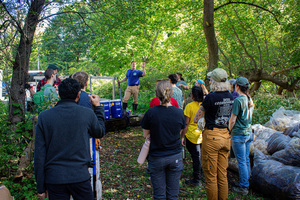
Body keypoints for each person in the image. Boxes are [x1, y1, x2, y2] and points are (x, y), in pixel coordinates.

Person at [34, 78, 106, 200]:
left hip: (55, 178)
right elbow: (99, 131)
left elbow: (39, 154)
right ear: (78, 94)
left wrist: (40, 186)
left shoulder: (44, 117)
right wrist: (98, 107)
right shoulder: (87, 114)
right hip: (80, 176)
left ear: (59, 94)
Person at [141, 79, 185, 199]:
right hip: (175, 156)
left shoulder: (151, 112)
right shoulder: (179, 113)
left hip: (157, 157)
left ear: (157, 94)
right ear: (171, 93)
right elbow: (180, 131)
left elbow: (146, 135)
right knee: (173, 195)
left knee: (159, 195)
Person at [193, 68, 234, 200]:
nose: (209, 82)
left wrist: (200, 120)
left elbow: (196, 117)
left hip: (212, 137)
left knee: (211, 176)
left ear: (214, 82)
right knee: (222, 175)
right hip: (225, 136)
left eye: (210, 79)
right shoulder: (230, 96)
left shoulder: (211, 97)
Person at [228, 77, 254, 196]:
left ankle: (243, 187)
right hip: (248, 132)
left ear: (237, 86)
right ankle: (247, 182)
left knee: (241, 161)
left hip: (239, 133)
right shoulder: (249, 99)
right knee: (246, 159)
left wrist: (228, 130)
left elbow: (232, 120)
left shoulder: (238, 100)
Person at [181, 86, 204, 187]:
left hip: (192, 135)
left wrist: (182, 136)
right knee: (199, 156)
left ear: (193, 95)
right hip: (202, 134)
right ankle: (200, 174)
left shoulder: (189, 106)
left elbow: (186, 123)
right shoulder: (204, 105)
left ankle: (196, 179)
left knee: (196, 157)